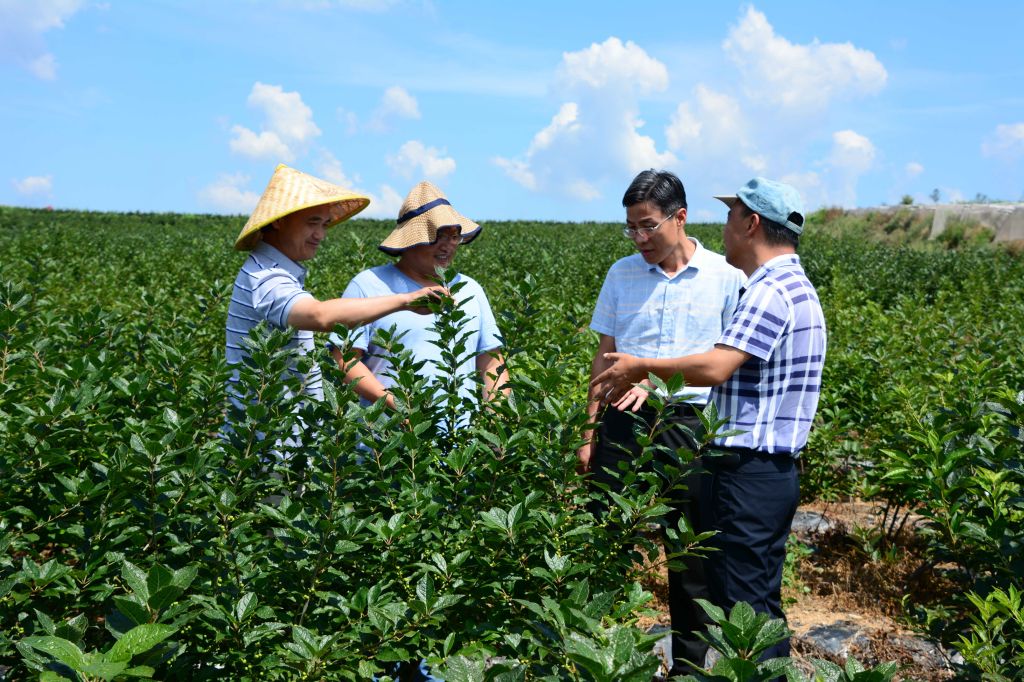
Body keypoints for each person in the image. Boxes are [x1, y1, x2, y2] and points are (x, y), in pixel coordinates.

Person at [591, 177, 827, 661]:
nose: (724, 227)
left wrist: (643, 368)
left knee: (736, 596)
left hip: (737, 458)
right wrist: (590, 427)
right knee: (751, 598)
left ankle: (707, 667)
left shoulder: (761, 289)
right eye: (631, 228)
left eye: (730, 216)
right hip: (750, 461)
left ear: (751, 223)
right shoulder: (793, 286)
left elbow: (718, 366)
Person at [577, 169, 744, 675]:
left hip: (689, 423)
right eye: (631, 227)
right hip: (622, 418)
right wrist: (588, 431)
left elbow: (728, 362)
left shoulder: (726, 277)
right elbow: (604, 355)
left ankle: (688, 667)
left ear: (680, 217)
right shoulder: (621, 274)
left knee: (688, 552)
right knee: (603, 536)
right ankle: (589, 655)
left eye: (648, 225)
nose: (639, 238)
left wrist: (653, 378)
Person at [225, 164, 440, 410]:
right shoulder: (266, 277)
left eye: (324, 225)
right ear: (279, 221)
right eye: (312, 222)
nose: (320, 235)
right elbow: (319, 316)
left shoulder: (271, 270)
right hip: (269, 431)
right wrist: (405, 301)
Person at [329, 180, 507, 421]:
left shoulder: (470, 289)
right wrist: (396, 405)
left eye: (454, 236)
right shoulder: (368, 285)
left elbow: (491, 362)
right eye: (437, 236)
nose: (447, 245)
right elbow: (344, 359)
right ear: (410, 240)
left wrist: (497, 422)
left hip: (461, 440)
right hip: (387, 437)